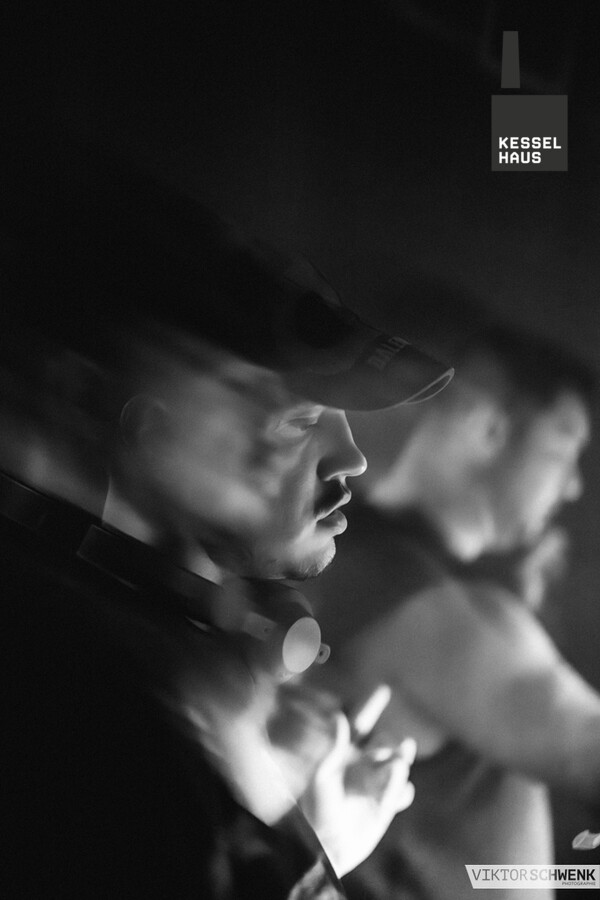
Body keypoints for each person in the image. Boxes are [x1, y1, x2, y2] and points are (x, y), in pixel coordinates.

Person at [1, 174, 452, 898]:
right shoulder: (83, 696)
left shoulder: (140, 659)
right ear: (86, 397)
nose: (352, 459)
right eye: (296, 418)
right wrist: (304, 857)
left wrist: (296, 837)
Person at [290, 325, 600, 900]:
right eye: (562, 447)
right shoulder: (407, 592)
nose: (574, 485)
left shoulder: (376, 567)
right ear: (489, 429)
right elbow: (587, 749)